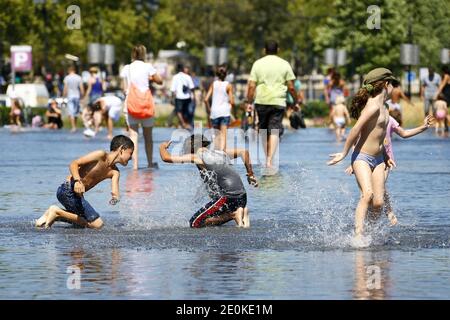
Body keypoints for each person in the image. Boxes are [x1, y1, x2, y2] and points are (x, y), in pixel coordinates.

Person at [327, 68, 399, 245]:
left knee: (379, 202)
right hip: (361, 157)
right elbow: (356, 129)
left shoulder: (385, 107)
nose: (395, 89)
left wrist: (384, 155)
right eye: (393, 85)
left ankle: (371, 233)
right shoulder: (373, 105)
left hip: (379, 159)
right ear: (386, 85)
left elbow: (379, 135)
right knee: (367, 195)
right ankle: (358, 235)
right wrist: (344, 153)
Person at [345, 114, 435, 226]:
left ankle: (381, 218)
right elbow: (356, 141)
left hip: (384, 160)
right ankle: (363, 225)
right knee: (367, 194)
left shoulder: (389, 119)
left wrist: (424, 127)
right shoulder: (368, 115)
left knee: (379, 193)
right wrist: (353, 163)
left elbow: (404, 133)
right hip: (363, 158)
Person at [159, 134, 258, 228]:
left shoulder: (197, 156)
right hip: (242, 198)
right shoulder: (221, 153)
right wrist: (250, 174)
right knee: (214, 213)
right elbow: (244, 152)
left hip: (229, 197)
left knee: (195, 223)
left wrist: (162, 146)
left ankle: (233, 215)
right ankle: (241, 213)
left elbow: (166, 158)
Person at [35, 135, 134, 229]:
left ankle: (51, 216)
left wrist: (115, 198)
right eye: (131, 153)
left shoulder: (115, 172)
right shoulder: (100, 155)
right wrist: (77, 181)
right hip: (68, 189)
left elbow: (115, 191)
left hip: (78, 196)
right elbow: (74, 163)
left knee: (81, 224)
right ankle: (56, 212)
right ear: (122, 149)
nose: (131, 157)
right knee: (97, 224)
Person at [246, 40, 300, 173]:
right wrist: (296, 101)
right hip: (278, 101)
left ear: (264, 50)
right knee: (275, 129)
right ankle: (270, 160)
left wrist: (248, 102)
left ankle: (266, 159)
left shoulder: (257, 64)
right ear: (278, 50)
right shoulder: (284, 64)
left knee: (263, 129)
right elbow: (291, 87)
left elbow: (252, 85)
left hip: (262, 100)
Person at [121, 44, 163, 169]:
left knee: (133, 135)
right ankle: (150, 163)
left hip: (131, 105)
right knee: (148, 136)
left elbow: (124, 88)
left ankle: (134, 165)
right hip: (146, 105)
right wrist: (151, 78)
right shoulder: (148, 67)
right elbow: (160, 81)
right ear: (144, 54)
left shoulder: (127, 68)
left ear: (133, 54)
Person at [204, 66, 235, 151]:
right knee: (223, 135)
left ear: (217, 74)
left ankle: (216, 154)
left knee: (216, 135)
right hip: (225, 112)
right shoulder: (228, 85)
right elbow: (232, 101)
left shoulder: (213, 84)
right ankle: (223, 154)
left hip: (214, 112)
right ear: (226, 75)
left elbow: (206, 99)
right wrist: (231, 107)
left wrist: (209, 110)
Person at [170, 64, 195, 130]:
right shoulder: (187, 77)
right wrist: (193, 96)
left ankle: (183, 124)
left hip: (178, 97)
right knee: (186, 111)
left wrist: (171, 98)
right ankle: (184, 124)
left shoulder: (175, 77)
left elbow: (173, 89)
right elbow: (192, 88)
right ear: (183, 69)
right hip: (187, 97)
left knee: (179, 111)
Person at [63, 65, 85, 132]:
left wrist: (64, 95)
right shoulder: (78, 77)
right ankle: (75, 125)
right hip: (77, 96)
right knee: (76, 111)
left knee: (71, 111)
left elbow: (65, 87)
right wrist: (83, 95)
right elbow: (81, 87)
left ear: (69, 70)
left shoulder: (67, 78)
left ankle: (73, 127)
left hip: (70, 96)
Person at [435, 66, 450, 132]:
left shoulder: (446, 76)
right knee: (445, 111)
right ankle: (446, 127)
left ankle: (446, 126)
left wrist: (436, 94)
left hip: (447, 95)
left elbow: (442, 85)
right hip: (446, 94)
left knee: (446, 113)